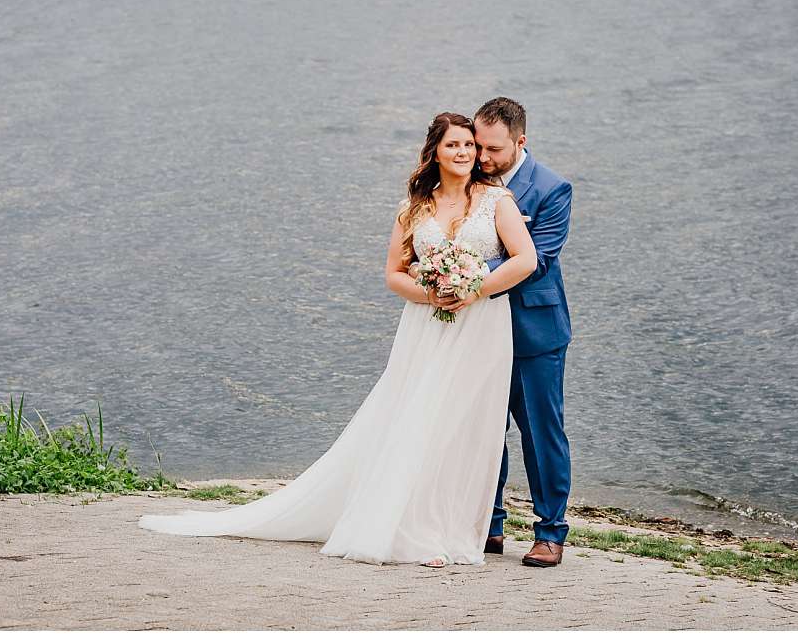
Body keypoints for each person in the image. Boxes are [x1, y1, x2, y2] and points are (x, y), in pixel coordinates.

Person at [138, 112, 537, 568]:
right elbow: (392, 275)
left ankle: (451, 528)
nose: (464, 153)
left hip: (481, 325)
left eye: (469, 145)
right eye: (454, 145)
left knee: (463, 427)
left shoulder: (496, 200)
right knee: (416, 419)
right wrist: (432, 293)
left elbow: (525, 259)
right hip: (427, 325)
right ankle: (415, 531)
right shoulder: (415, 208)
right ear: (435, 152)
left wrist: (471, 290)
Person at [460, 96, 574, 568]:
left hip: (534, 329)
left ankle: (550, 532)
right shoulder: (469, 178)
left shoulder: (552, 188)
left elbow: (536, 259)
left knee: (540, 433)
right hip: (475, 326)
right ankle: (490, 523)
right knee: (482, 429)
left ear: (521, 141)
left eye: (494, 150)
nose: (483, 158)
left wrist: (462, 274)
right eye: (478, 147)